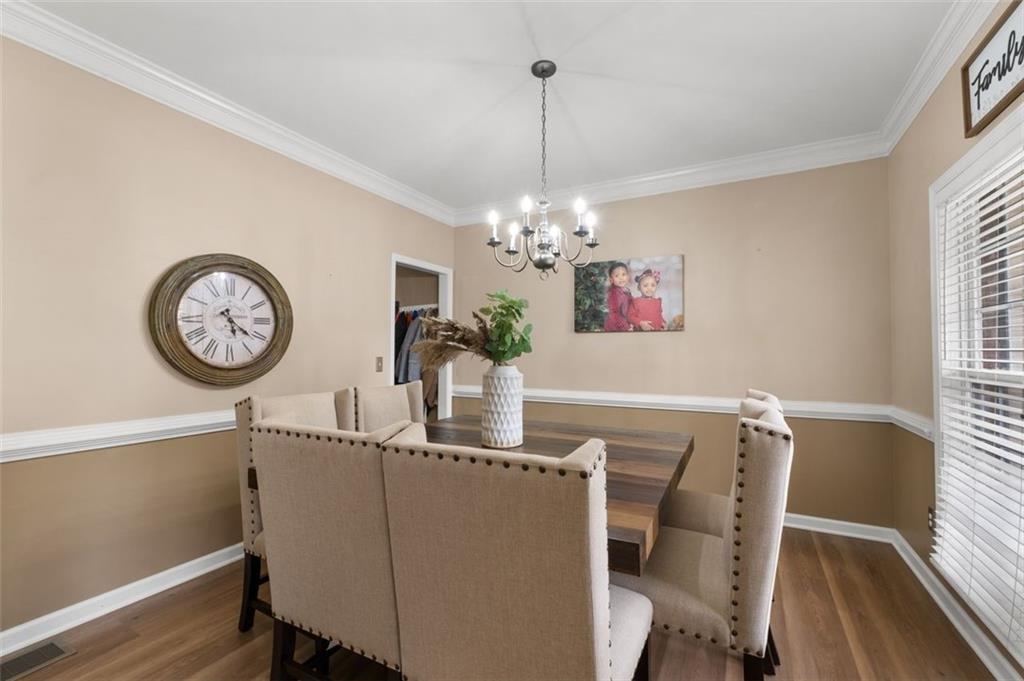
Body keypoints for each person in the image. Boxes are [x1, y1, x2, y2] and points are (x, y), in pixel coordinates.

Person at [604, 261, 633, 332]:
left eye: (623, 274)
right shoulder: (614, 294)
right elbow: (614, 313)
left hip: (625, 322)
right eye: (617, 276)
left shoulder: (627, 290)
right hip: (615, 327)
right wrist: (625, 326)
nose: (621, 278)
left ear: (628, 276)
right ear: (611, 280)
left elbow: (631, 305)